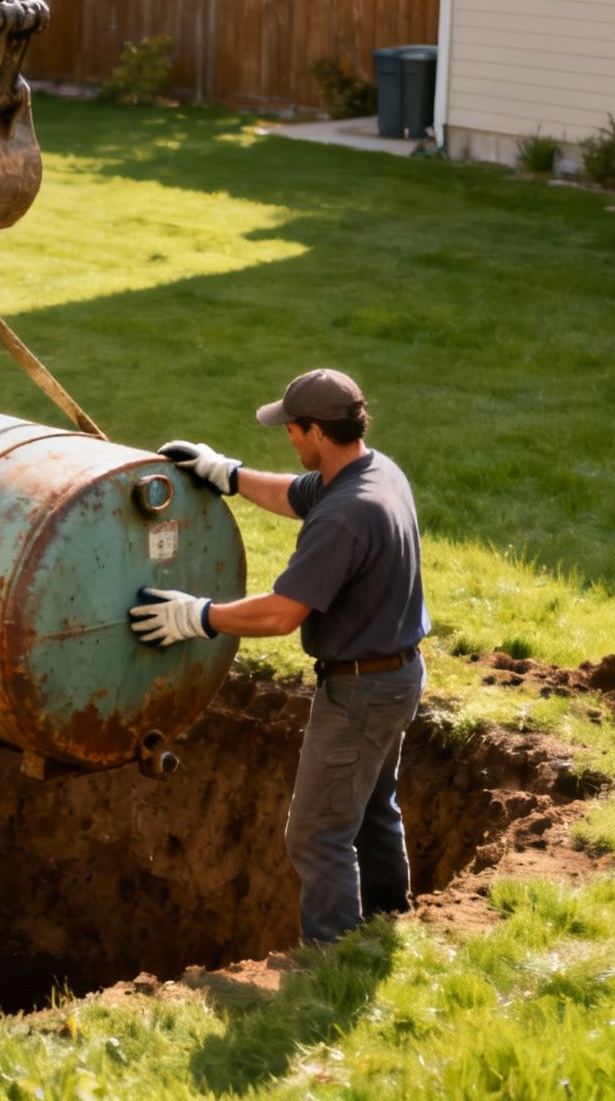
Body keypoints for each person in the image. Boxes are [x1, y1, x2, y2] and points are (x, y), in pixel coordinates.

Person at [129, 368, 430, 946]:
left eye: (292, 429)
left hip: (360, 691)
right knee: (369, 809)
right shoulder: (374, 471)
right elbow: (296, 494)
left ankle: (331, 957)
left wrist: (195, 616)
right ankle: (390, 920)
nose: (288, 438)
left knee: (317, 834)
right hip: (398, 674)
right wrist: (229, 474)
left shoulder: (344, 518)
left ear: (316, 431)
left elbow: (283, 612)